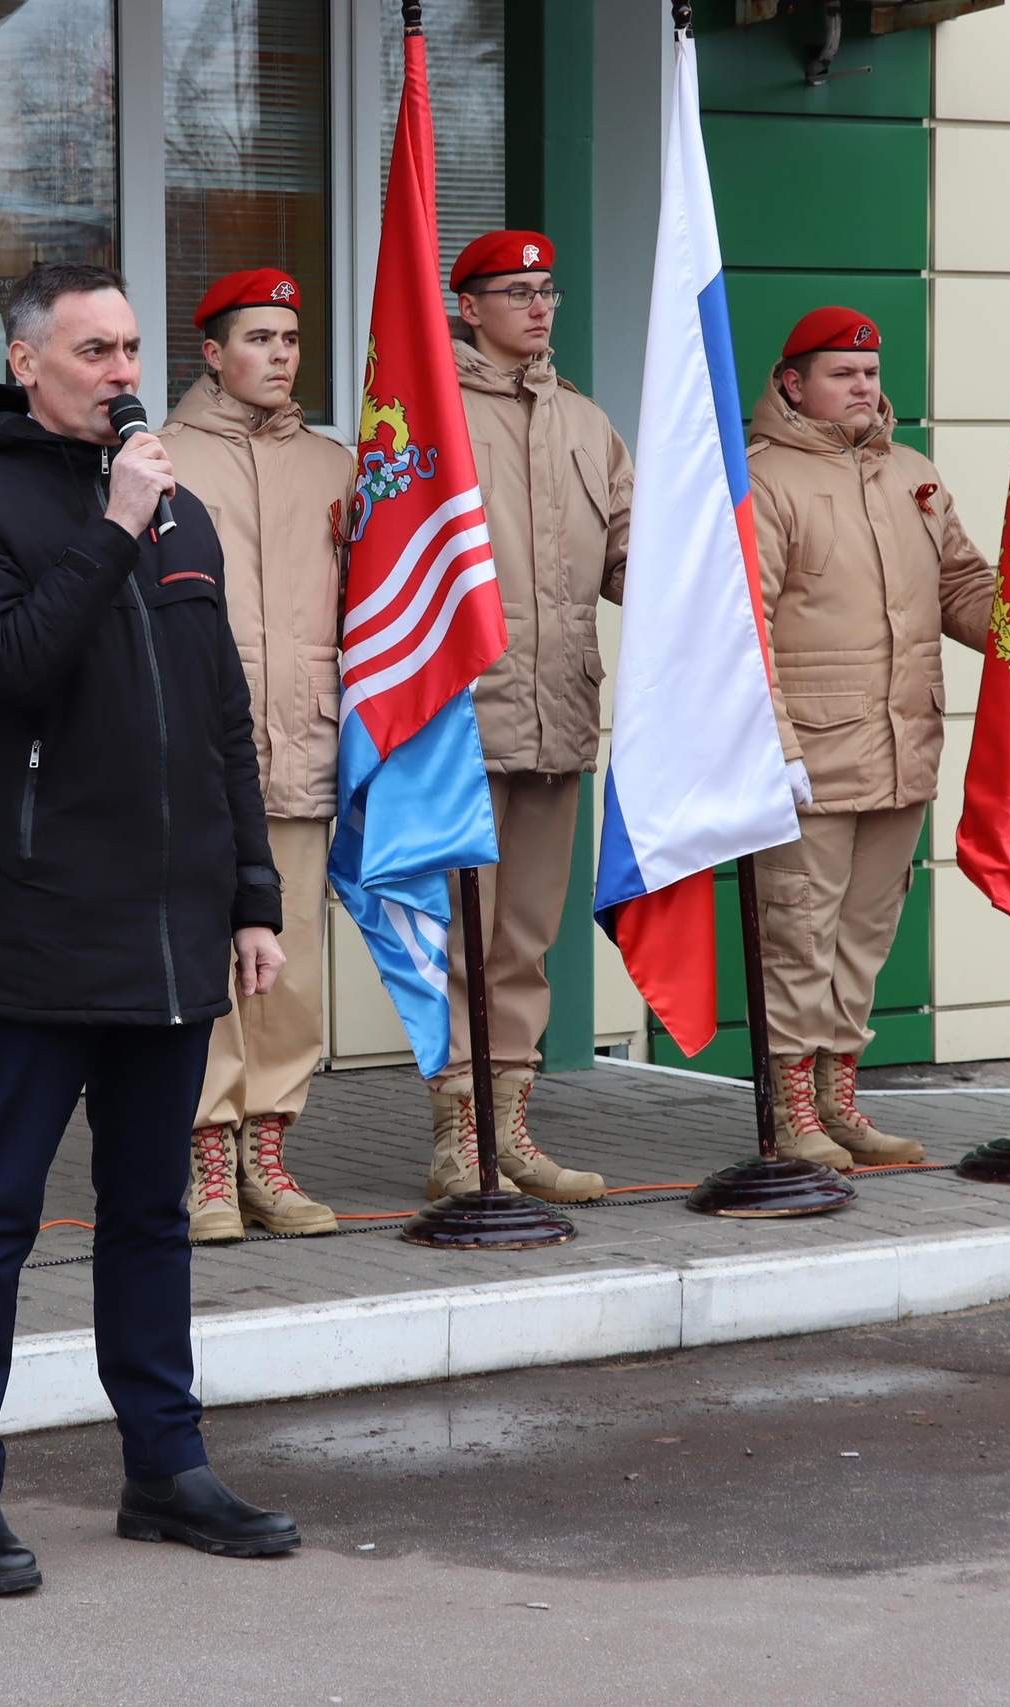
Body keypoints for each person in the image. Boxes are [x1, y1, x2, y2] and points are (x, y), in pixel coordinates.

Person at [0, 261, 300, 1597]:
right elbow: (10, 664)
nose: (122, 369)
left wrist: (253, 894)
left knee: (151, 1213)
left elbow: (220, 716)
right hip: (37, 928)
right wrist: (113, 525)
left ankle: (164, 1465)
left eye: (132, 345)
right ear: (26, 362)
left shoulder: (174, 500)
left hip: (174, 927)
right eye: (92, 348)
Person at [746, 307, 995, 1169]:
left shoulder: (912, 475)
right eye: (842, 373)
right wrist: (775, 745)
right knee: (799, 935)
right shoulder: (766, 480)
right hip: (809, 757)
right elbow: (749, 629)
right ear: (792, 383)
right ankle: (791, 1112)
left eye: (870, 372)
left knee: (863, 936)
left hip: (903, 747)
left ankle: (838, 1101)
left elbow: (963, 585)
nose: (863, 386)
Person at [429, 229, 630, 1204]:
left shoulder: (587, 426)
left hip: (557, 722)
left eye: (547, 289)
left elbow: (633, 559)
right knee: (459, 937)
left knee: (523, 941)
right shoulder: (428, 418)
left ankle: (508, 1130)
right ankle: (456, 1138)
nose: (539, 306)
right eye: (516, 291)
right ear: (468, 307)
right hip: (458, 727)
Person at [158, 268, 354, 1244]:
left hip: (303, 743)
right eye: (259, 338)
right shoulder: (158, 460)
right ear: (211, 352)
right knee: (204, 957)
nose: (280, 355)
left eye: (290, 338)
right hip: (192, 755)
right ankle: (206, 1159)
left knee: (290, 964)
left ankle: (268, 1153)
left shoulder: (336, 466)